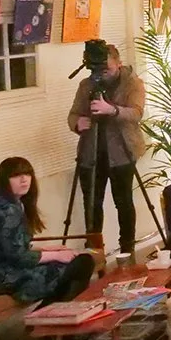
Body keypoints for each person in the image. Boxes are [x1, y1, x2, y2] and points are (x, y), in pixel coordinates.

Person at [0, 157, 96, 303]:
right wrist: (56, 255)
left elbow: (10, 246)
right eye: (16, 175)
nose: (24, 179)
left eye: (27, 174)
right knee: (81, 264)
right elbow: (19, 257)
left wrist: (45, 249)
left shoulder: (3, 202)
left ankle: (52, 311)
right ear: (4, 180)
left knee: (75, 264)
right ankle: (52, 312)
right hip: (1, 278)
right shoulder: (6, 209)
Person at [67, 43, 146, 256]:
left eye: (107, 69)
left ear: (119, 64)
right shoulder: (86, 85)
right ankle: (95, 252)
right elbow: (73, 114)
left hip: (122, 150)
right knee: (92, 204)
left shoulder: (132, 83)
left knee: (124, 202)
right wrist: (77, 123)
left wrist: (111, 110)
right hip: (91, 151)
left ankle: (127, 249)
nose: (102, 74)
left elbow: (136, 114)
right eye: (98, 69)